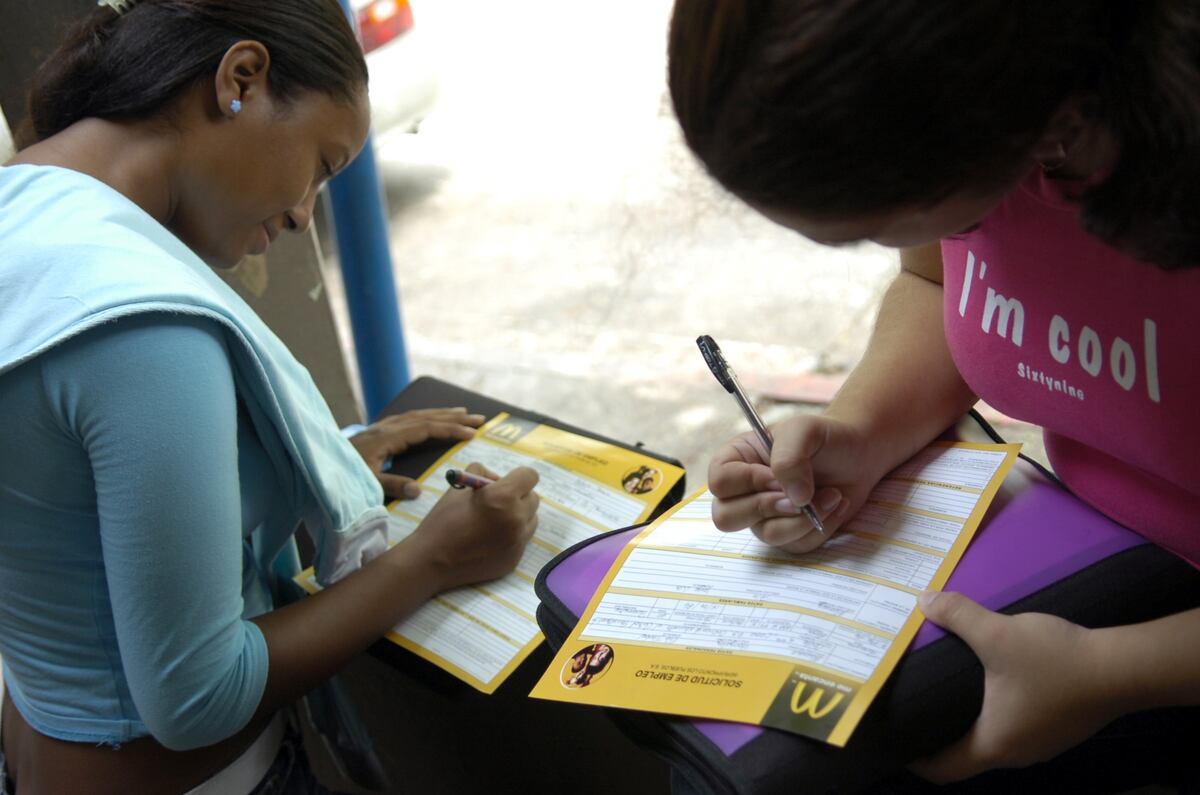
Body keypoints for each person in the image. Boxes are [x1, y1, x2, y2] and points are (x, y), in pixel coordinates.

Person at [0, 1, 541, 793]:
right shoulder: (141, 325)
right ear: (241, 80)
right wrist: (437, 555)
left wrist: (307, 463)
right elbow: (196, 692)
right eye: (322, 165)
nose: (299, 214)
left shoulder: (22, 205)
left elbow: (66, 508)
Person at [668, 1, 1200, 791]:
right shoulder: (996, 103)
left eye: (872, 226)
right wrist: (861, 429)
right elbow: (934, 279)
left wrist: (1107, 673)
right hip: (1101, 553)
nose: (887, 246)